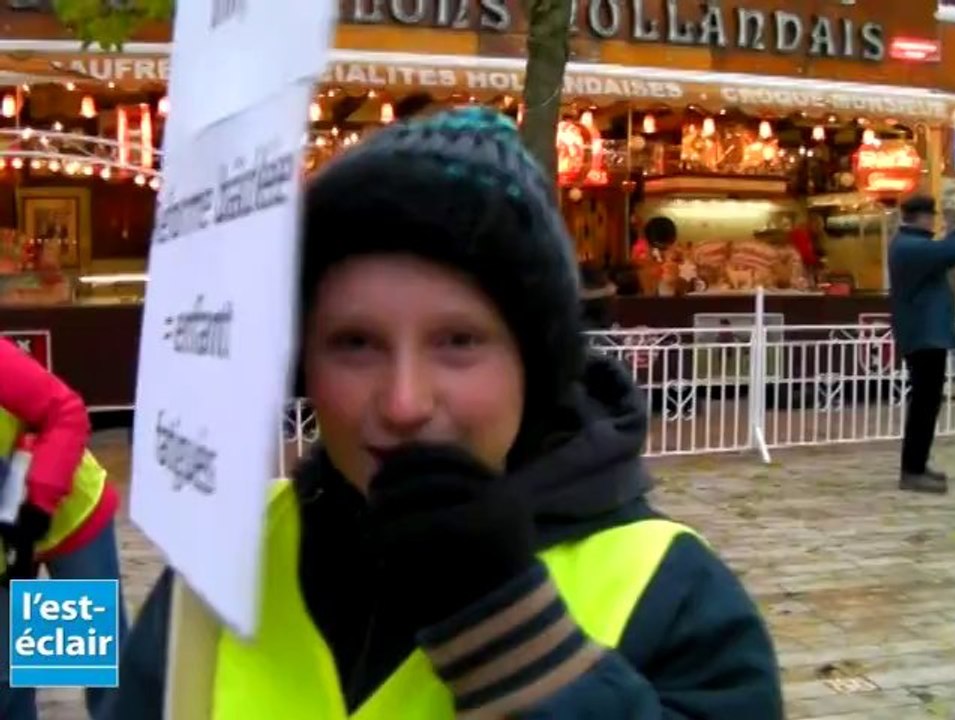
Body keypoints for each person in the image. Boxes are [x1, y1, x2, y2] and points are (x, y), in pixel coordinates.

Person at [104, 108, 782, 719]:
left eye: (459, 341)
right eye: (355, 343)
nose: (404, 403)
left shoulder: (670, 592)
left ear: (534, 362)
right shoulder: (225, 555)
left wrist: (513, 637)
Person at [0, 337, 127, 719]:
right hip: (6, 538)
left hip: (67, 515)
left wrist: (39, 504)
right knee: (7, 677)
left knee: (96, 658)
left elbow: (66, 412)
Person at [888, 193, 955, 494]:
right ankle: (913, 470)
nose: (935, 222)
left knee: (926, 403)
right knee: (924, 404)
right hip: (924, 335)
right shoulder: (911, 247)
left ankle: (917, 465)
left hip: (925, 334)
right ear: (923, 217)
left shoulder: (909, 245)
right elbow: (951, 251)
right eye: (932, 217)